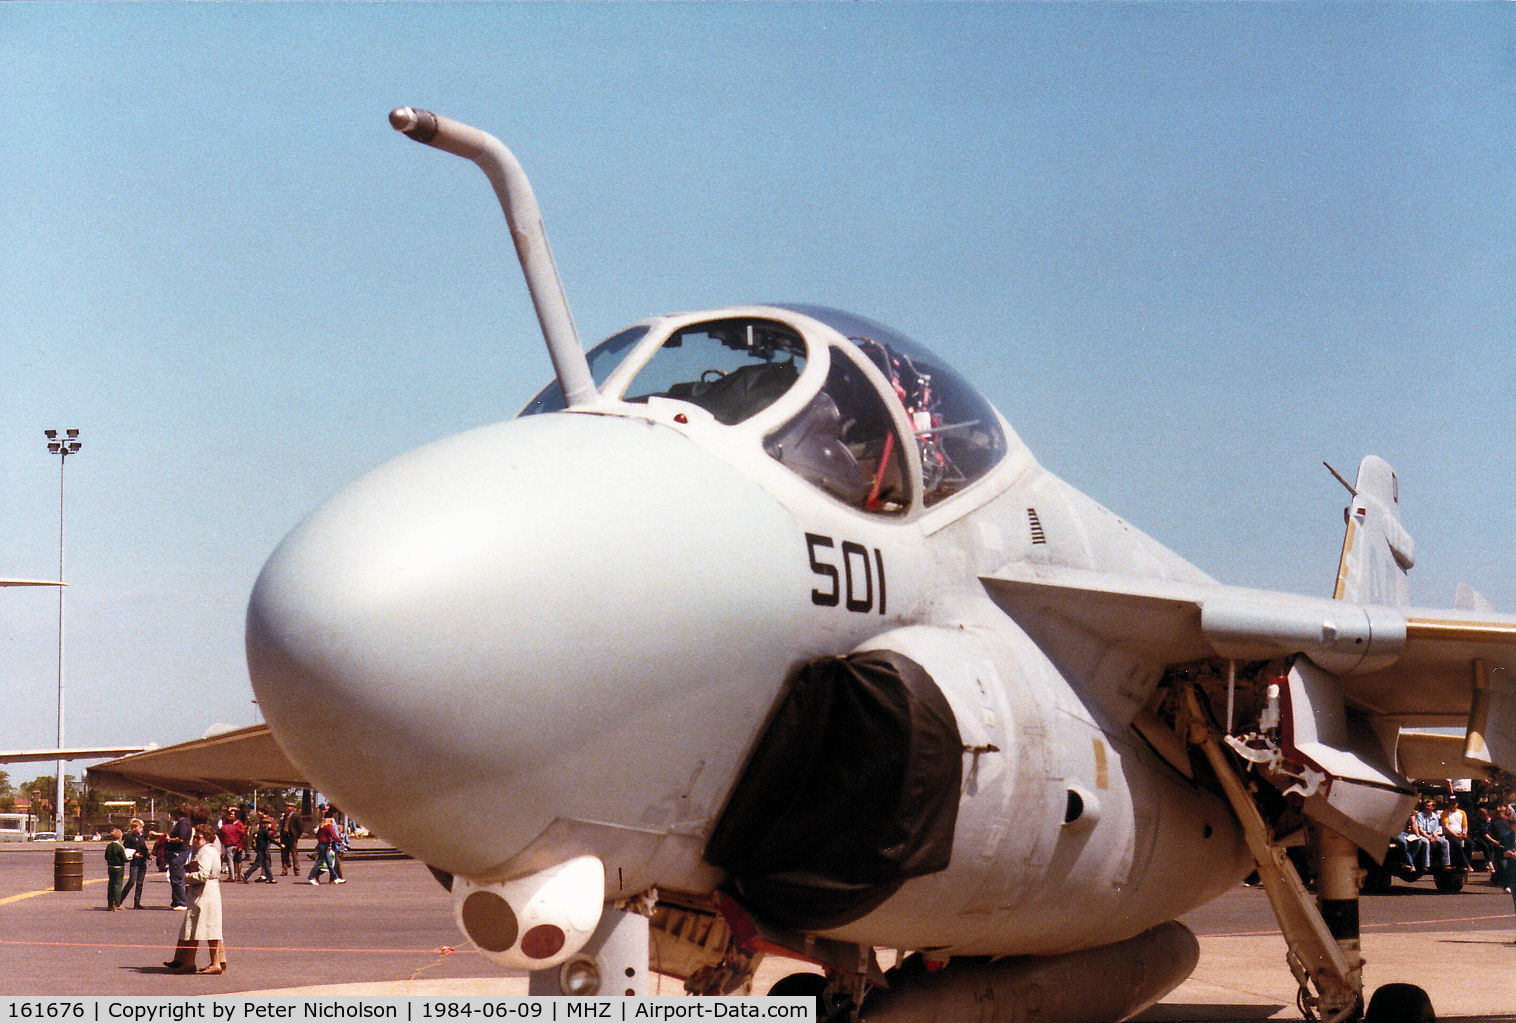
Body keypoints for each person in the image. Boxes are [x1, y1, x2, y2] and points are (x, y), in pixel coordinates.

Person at [162, 824, 227, 974]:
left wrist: (187, 877)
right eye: (195, 837)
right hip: (211, 892)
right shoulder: (212, 851)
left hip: (202, 894)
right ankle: (215, 962)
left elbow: (202, 875)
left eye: (199, 837)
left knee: (193, 929)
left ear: (207, 838)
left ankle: (190, 962)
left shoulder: (205, 853)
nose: (196, 839)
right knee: (212, 930)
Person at [119, 819, 152, 909]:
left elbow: (144, 848)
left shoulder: (141, 837)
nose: (141, 829)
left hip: (142, 861)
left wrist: (148, 855)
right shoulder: (129, 837)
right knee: (131, 881)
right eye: (140, 827)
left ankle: (137, 903)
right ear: (134, 828)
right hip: (135, 862)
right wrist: (134, 855)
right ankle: (119, 900)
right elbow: (125, 849)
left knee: (140, 882)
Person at [165, 807, 194, 909]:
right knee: (174, 877)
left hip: (179, 851)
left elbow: (181, 839)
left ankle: (181, 902)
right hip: (178, 851)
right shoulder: (184, 823)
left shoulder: (183, 824)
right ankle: (176, 901)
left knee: (177, 877)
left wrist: (170, 840)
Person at [306, 816, 345, 885]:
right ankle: (311, 877)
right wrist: (341, 842)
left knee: (329, 863)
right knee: (319, 862)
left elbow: (317, 835)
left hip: (322, 845)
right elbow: (334, 835)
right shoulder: (329, 827)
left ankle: (335, 878)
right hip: (325, 845)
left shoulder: (321, 826)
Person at [1413, 799, 1448, 870]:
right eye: (1426, 805)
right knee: (1426, 842)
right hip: (1423, 835)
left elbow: (1435, 830)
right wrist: (1429, 838)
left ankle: (1446, 864)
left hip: (1432, 835)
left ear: (1433, 807)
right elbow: (1420, 830)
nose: (1427, 807)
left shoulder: (1435, 816)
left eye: (1429, 806)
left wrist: (1435, 836)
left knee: (1445, 842)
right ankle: (1426, 865)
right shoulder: (1420, 815)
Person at [243, 813, 277, 883]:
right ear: (265, 824)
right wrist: (279, 844)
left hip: (262, 849)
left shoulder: (262, 831)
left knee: (266, 863)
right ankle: (246, 874)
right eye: (268, 823)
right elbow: (270, 839)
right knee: (258, 864)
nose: (269, 824)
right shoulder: (264, 831)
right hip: (263, 850)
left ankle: (270, 878)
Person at [1443, 798, 1470, 870]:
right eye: (1450, 803)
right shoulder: (1445, 813)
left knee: (1470, 844)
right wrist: (1456, 836)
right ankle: (1465, 864)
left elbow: (1464, 825)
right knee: (1456, 843)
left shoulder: (1462, 812)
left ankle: (1468, 862)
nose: (1452, 805)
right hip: (1450, 834)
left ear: (1457, 804)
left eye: (1453, 803)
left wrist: (1464, 833)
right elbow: (1446, 827)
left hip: (1460, 833)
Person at [104, 828, 128, 911]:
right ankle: (117, 904)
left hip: (110, 867)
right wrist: (130, 857)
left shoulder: (109, 846)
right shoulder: (120, 847)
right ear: (120, 837)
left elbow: (106, 857)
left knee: (111, 885)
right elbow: (125, 858)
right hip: (119, 867)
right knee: (118, 886)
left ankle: (110, 904)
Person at [278, 805, 303, 876]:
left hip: (292, 837)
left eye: (288, 806)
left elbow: (300, 828)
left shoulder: (296, 816)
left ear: (292, 808)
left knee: (294, 854)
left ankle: (296, 869)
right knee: (284, 854)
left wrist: (296, 836)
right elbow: (283, 826)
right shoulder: (286, 816)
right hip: (285, 837)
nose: (286, 808)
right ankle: (284, 869)